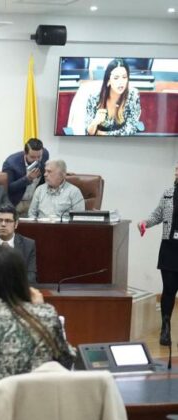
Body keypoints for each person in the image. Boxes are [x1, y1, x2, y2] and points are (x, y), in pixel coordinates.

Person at [0, 244, 75, 402]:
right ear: (22, 279)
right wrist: (40, 309)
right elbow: (66, 363)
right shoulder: (46, 313)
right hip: (42, 415)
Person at [137, 161, 178, 346]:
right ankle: (165, 329)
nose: (176, 172)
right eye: (176, 168)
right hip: (170, 248)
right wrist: (145, 222)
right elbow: (158, 214)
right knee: (169, 291)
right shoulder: (168, 193)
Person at [85, 58, 142, 136]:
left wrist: (104, 134)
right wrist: (95, 122)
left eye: (124, 77)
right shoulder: (94, 98)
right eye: (116, 78)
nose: (121, 82)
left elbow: (131, 129)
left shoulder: (133, 96)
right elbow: (88, 132)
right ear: (108, 80)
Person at [2, 138, 49, 215]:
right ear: (25, 153)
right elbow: (8, 188)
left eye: (39, 157)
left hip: (36, 202)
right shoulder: (11, 163)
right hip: (16, 202)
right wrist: (27, 179)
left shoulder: (45, 154)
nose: (36, 160)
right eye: (33, 157)